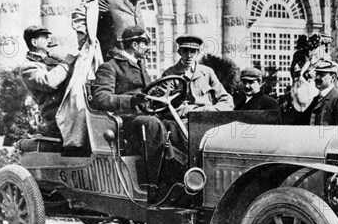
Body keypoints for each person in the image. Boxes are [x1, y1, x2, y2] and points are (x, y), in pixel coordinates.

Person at [90, 26, 186, 189]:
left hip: (144, 116)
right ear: (134, 45)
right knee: (152, 124)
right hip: (123, 121)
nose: (149, 48)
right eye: (145, 44)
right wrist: (131, 100)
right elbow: (100, 98)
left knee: (174, 125)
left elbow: (148, 93)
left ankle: (183, 173)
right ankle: (155, 184)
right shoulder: (110, 67)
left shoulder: (140, 66)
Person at [72, 0, 149, 59]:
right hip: (113, 64)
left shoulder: (137, 6)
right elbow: (81, 14)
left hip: (135, 65)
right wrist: (87, 47)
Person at [19, 25, 77, 138]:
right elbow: (49, 82)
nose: (48, 40)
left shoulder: (52, 59)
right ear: (34, 42)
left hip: (68, 110)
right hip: (55, 116)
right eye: (44, 37)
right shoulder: (29, 67)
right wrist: (65, 64)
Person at [162, 35, 234, 117]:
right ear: (179, 52)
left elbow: (226, 99)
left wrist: (213, 110)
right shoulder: (169, 74)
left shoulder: (207, 72)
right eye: (185, 51)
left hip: (208, 118)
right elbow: (164, 105)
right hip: (182, 120)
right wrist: (194, 111)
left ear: (198, 52)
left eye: (192, 51)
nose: (189, 56)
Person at [298, 59, 338, 126]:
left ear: (333, 78)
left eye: (321, 74)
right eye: (317, 74)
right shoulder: (316, 100)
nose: (317, 77)